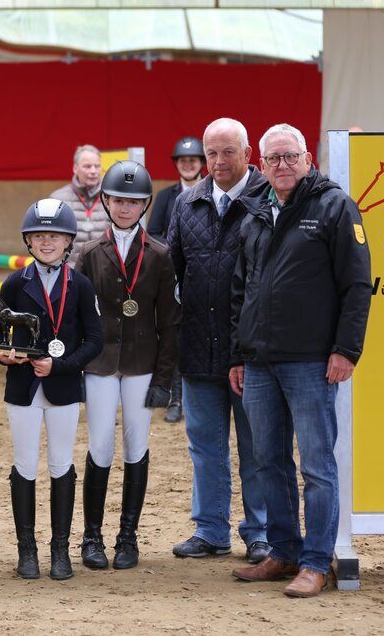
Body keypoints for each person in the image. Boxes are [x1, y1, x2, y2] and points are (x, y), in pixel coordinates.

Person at [229, 123, 372, 598]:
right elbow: (243, 289)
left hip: (311, 362)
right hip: (259, 363)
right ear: (261, 165)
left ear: (308, 158)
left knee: (316, 466)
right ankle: (284, 552)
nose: (283, 165)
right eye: (273, 158)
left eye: (291, 156)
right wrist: (239, 354)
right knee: (267, 461)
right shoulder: (255, 212)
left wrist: (346, 349)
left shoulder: (334, 206)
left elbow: (357, 285)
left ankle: (315, 562)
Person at [167, 118, 270, 565]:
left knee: (258, 449)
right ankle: (210, 530)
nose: (219, 161)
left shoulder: (269, 200)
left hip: (253, 354)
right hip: (197, 349)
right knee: (205, 448)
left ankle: (260, 532)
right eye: (212, 152)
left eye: (228, 151)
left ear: (247, 153)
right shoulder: (186, 203)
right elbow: (172, 270)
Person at [74, 161, 180, 571]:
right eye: (118, 200)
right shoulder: (88, 253)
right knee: (100, 445)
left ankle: (127, 537)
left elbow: (169, 323)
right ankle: (92, 536)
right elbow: (75, 318)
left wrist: (164, 379)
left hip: (141, 364)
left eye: (133, 202)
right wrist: (75, 369)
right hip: (99, 363)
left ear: (144, 206)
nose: (124, 208)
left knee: (137, 447)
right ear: (106, 201)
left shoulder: (160, 255)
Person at [0, 198, 103, 581]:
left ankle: (60, 549)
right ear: (29, 240)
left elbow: (94, 340)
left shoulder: (81, 285)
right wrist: (4, 356)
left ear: (68, 241)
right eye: (39, 236)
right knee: (24, 464)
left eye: (54, 236)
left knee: (60, 464)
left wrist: (61, 365)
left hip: (63, 386)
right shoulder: (14, 283)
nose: (46, 242)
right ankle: (27, 550)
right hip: (22, 386)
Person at [147, 136, 208, 424]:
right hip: (175, 275)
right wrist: (176, 249)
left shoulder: (215, 192)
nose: (188, 165)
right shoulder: (165, 197)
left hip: (208, 275)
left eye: (193, 160)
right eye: (183, 161)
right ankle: (176, 398)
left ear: (201, 163)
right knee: (175, 335)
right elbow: (153, 232)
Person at [49, 144, 110, 266]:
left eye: (97, 166)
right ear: (75, 168)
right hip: (69, 272)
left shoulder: (112, 198)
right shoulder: (57, 199)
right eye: (87, 166)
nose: (93, 171)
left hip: (104, 272)